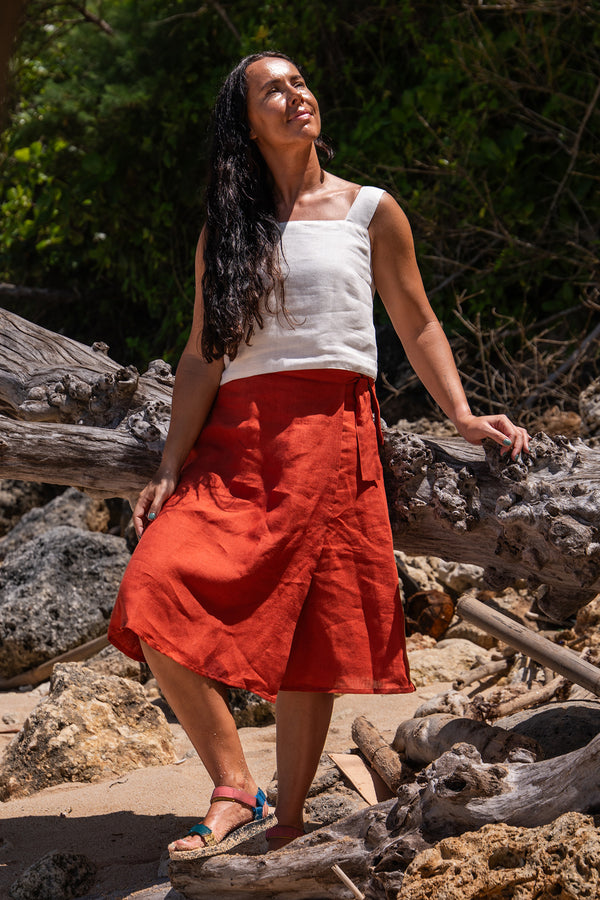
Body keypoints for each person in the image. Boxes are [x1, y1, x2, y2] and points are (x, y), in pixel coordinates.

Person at [108, 51, 529, 858]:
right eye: (274, 90)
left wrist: (462, 413)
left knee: (313, 635)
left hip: (334, 434)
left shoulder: (369, 209)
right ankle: (235, 784)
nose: (296, 95)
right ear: (246, 123)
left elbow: (417, 321)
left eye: (299, 82)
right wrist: (168, 464)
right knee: (150, 589)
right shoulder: (227, 230)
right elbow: (202, 355)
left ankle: (290, 822)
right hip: (238, 442)